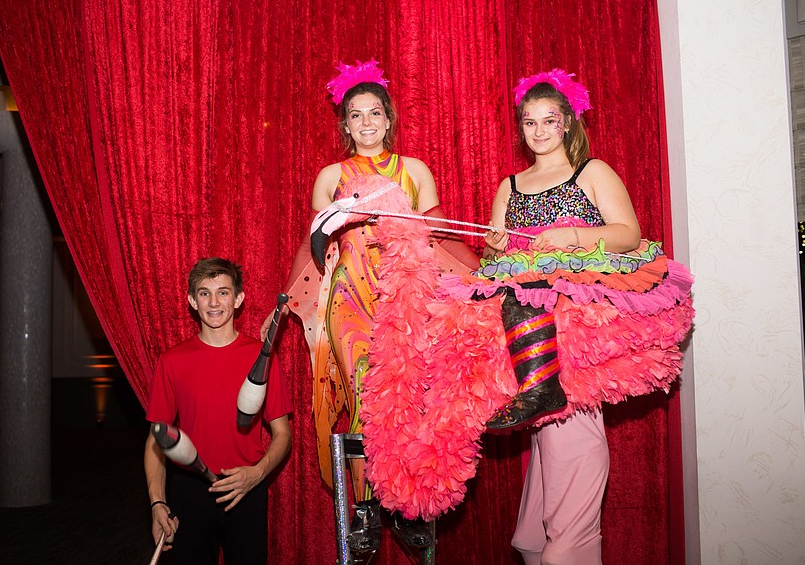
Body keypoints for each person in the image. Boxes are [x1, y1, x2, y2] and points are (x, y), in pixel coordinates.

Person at [261, 58, 478, 552]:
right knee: (366, 394)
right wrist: (284, 303)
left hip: (405, 299)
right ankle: (367, 506)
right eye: (355, 115)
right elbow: (312, 250)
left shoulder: (414, 171)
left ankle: (403, 503)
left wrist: (480, 276)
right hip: (349, 301)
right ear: (345, 124)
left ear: (388, 119)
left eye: (374, 113)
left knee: (407, 397)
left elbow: (442, 236)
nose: (366, 123)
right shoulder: (330, 176)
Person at [483, 69, 639, 564]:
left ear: (568, 121)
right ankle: (550, 541)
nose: (539, 131)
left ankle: (569, 547)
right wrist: (494, 249)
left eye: (549, 120)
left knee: (569, 416)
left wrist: (570, 237)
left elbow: (628, 234)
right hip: (528, 333)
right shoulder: (510, 186)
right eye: (529, 122)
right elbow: (496, 264)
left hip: (578, 327)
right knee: (548, 433)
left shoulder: (591, 172)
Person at [145, 257, 292, 565]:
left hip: (246, 489)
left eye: (223, 292)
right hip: (190, 491)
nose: (214, 302)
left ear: (238, 299)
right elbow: (156, 439)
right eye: (204, 293)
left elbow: (282, 434)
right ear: (191, 301)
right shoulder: (172, 361)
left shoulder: (261, 358)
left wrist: (257, 474)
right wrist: (158, 502)